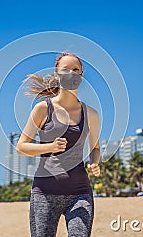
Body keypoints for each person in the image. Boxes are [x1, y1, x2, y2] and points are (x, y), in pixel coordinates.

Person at [17, 52, 101, 237]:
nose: (71, 73)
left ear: (81, 76)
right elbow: (21, 146)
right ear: (57, 75)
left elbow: (94, 148)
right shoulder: (42, 109)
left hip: (80, 193)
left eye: (76, 70)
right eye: (65, 70)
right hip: (45, 193)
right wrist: (49, 147)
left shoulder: (91, 114)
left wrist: (94, 163)